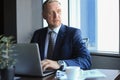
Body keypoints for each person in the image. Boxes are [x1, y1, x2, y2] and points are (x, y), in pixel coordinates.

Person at [31, 0, 91, 71]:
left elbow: (86, 61)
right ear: (44, 15)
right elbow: (30, 59)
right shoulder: (37, 34)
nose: (56, 16)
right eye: (51, 12)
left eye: (59, 11)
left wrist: (59, 64)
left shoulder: (73, 33)